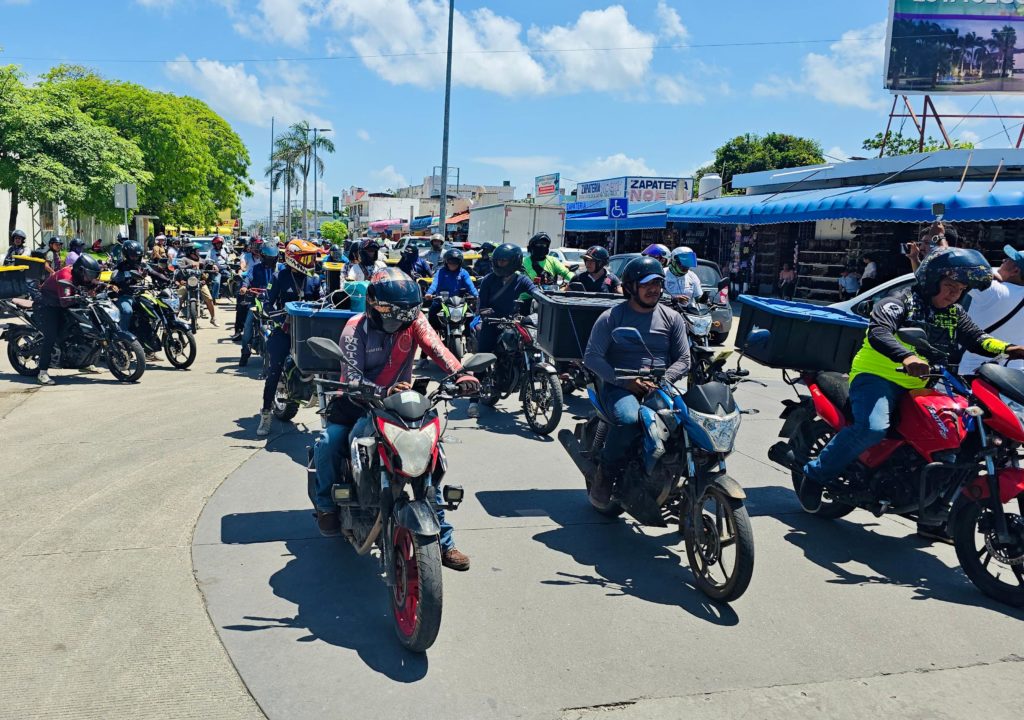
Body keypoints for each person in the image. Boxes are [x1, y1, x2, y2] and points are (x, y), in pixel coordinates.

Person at [800, 248, 1024, 540]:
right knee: (872, 427)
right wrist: (906, 357)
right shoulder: (901, 301)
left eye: (960, 290)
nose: (954, 295)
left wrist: (1007, 349)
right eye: (949, 288)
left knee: (955, 435)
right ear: (932, 281)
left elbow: (978, 339)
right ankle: (815, 473)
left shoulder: (954, 313)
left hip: (924, 383)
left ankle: (931, 507)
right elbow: (879, 331)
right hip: (878, 376)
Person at [312, 268, 480, 569]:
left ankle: (443, 542)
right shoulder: (355, 328)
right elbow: (352, 377)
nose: (400, 322)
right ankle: (326, 505)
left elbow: (438, 348)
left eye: (407, 316)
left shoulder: (413, 320)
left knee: (427, 459)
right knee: (330, 441)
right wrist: (383, 388)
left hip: (398, 404)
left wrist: (461, 373)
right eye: (393, 315)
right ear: (375, 307)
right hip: (356, 402)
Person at [583, 256, 690, 507]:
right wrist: (624, 381)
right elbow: (592, 357)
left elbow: (684, 358)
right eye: (646, 284)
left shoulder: (672, 318)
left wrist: (665, 379)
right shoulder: (612, 317)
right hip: (619, 387)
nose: (654, 289)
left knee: (690, 422)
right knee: (631, 420)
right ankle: (605, 476)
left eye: (658, 283)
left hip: (661, 386)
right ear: (631, 287)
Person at [469, 243, 545, 418]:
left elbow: (536, 293)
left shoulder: (522, 279)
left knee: (529, 345)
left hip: (512, 322)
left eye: (503, 261)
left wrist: (548, 301)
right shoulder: (489, 279)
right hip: (492, 322)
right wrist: (485, 313)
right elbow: (482, 304)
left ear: (514, 262)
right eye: (497, 261)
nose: (499, 264)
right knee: (482, 358)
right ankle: (473, 401)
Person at [257, 240, 323, 436]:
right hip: (285, 330)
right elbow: (267, 304)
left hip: (309, 331)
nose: (311, 262)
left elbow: (322, 301)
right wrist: (280, 315)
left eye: (312, 258)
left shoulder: (315, 279)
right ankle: (266, 415)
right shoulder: (279, 276)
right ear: (294, 258)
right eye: (307, 258)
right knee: (274, 370)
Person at [34, 254, 103, 385]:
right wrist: (81, 296)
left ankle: (84, 362)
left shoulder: (79, 275)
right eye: (88, 275)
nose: (89, 278)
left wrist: (96, 286)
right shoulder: (66, 277)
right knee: (51, 336)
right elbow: (66, 302)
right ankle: (42, 373)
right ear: (80, 270)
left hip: (62, 302)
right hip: (48, 304)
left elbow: (87, 285)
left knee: (85, 328)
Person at [959, 244, 1024, 377]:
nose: (1003, 260)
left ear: (1015, 271)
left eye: (1008, 260)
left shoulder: (994, 291)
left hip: (976, 373)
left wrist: (939, 239)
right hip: (1017, 375)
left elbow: (955, 269)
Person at [109, 240, 170, 335]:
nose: (136, 258)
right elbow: (115, 279)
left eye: (138, 256)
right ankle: (122, 335)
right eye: (133, 256)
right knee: (127, 311)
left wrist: (167, 280)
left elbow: (154, 273)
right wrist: (129, 279)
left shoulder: (142, 265)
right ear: (127, 255)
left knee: (156, 306)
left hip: (140, 295)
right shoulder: (121, 267)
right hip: (125, 295)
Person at [236, 244, 279, 361]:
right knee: (248, 324)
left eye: (272, 258)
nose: (270, 261)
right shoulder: (255, 268)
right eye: (268, 258)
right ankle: (245, 351)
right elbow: (248, 278)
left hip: (274, 303)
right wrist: (244, 287)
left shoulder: (279, 269)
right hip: (257, 301)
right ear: (262, 257)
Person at [424, 248, 478, 333]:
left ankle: (468, 337)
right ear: (446, 262)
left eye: (455, 262)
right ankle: (434, 336)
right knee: (432, 314)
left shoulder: (463, 273)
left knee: (470, 316)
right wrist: (429, 293)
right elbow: (435, 284)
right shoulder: (441, 272)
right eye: (450, 262)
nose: (453, 264)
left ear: (460, 262)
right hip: (442, 301)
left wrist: (477, 295)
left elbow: (470, 286)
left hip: (459, 302)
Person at [174, 243, 218, 327]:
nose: (199, 252)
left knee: (209, 299)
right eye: (197, 250)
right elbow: (179, 267)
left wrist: (214, 266)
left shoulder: (201, 260)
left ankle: (213, 318)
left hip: (199, 283)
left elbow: (209, 266)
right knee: (178, 300)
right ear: (191, 251)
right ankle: (173, 319)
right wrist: (190, 265)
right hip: (186, 283)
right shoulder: (184, 259)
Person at [522, 232, 572, 300]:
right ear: (532, 246)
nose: (542, 247)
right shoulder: (523, 262)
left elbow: (567, 273)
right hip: (528, 299)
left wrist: (576, 279)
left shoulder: (553, 261)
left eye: (544, 245)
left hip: (549, 299)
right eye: (539, 244)